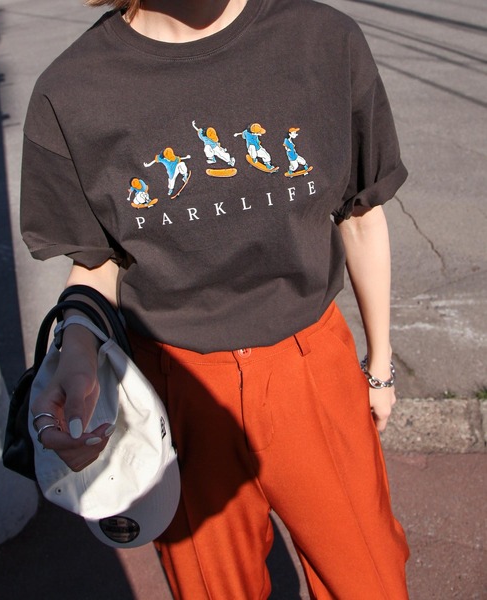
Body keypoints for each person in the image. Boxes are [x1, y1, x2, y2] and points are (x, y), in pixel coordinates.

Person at [20, 0, 410, 597]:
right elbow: (96, 260)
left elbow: (360, 214)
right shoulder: (71, 92)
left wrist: (379, 366)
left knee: (369, 580)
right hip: (174, 390)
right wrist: (76, 352)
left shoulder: (323, 41)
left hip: (311, 371)